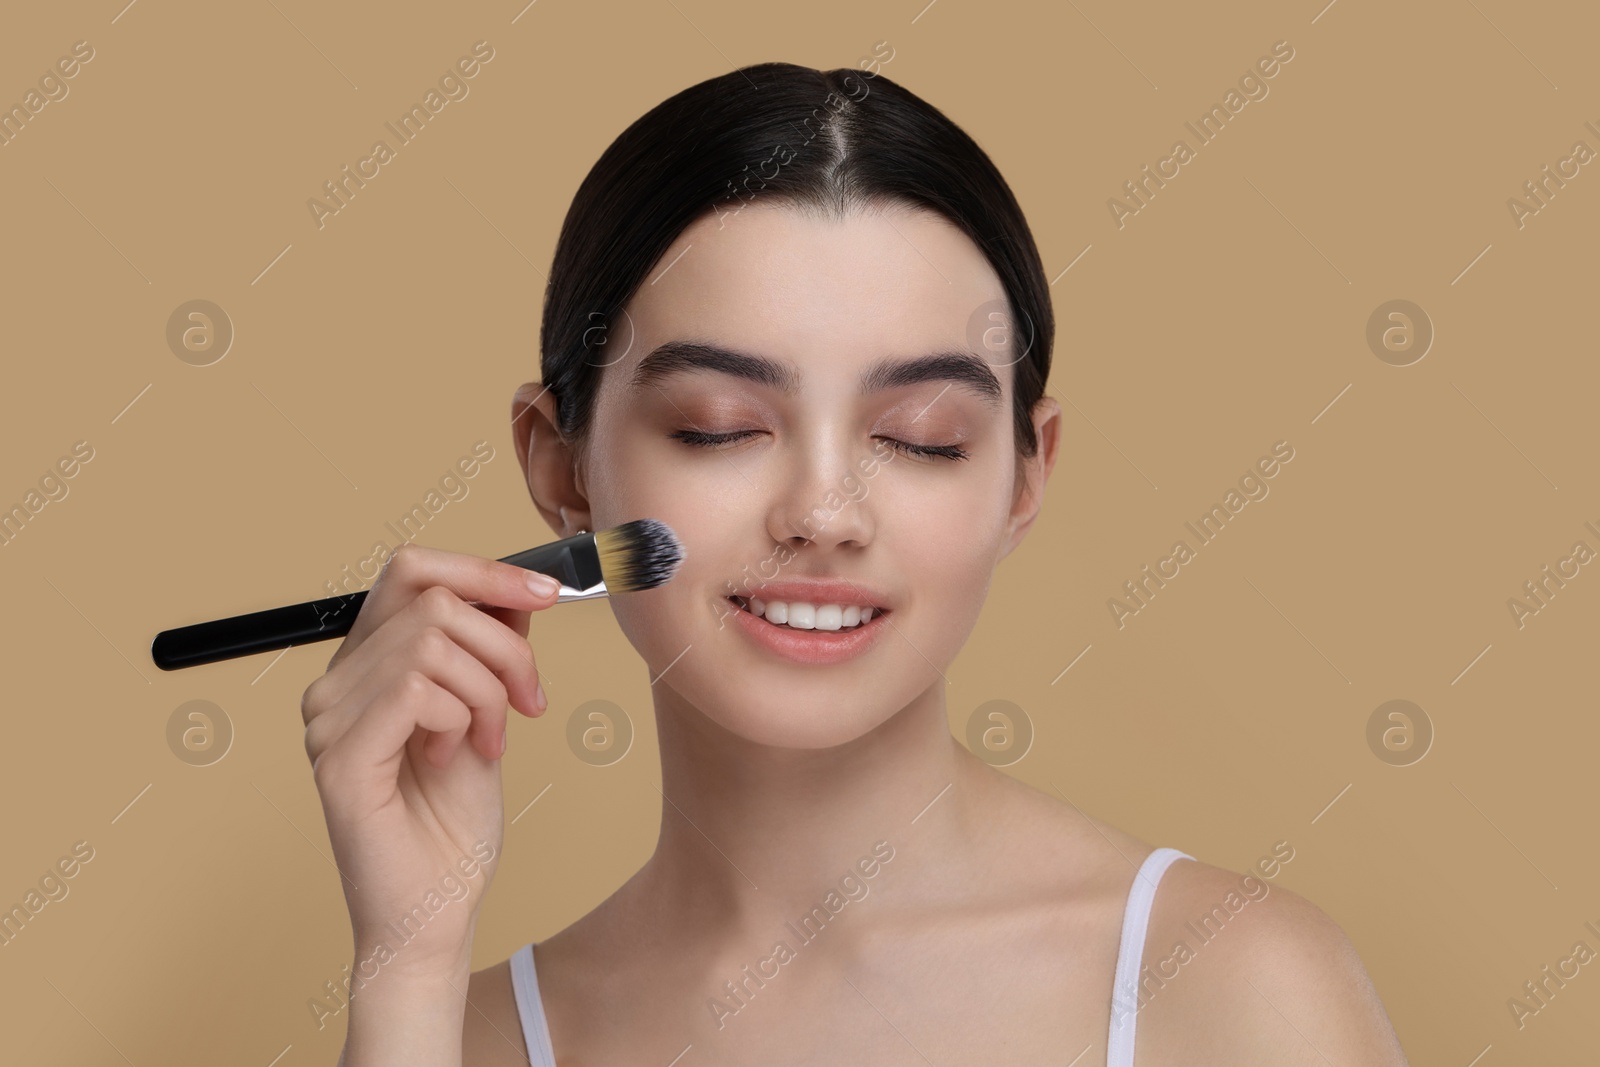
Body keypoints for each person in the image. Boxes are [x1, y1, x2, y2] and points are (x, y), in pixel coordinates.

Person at [303, 61, 1411, 1066]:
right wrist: (405, 961)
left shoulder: (1234, 991)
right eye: (718, 424)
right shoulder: (460, 1034)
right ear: (564, 469)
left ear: (1025, 475)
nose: (823, 512)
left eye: (922, 434)